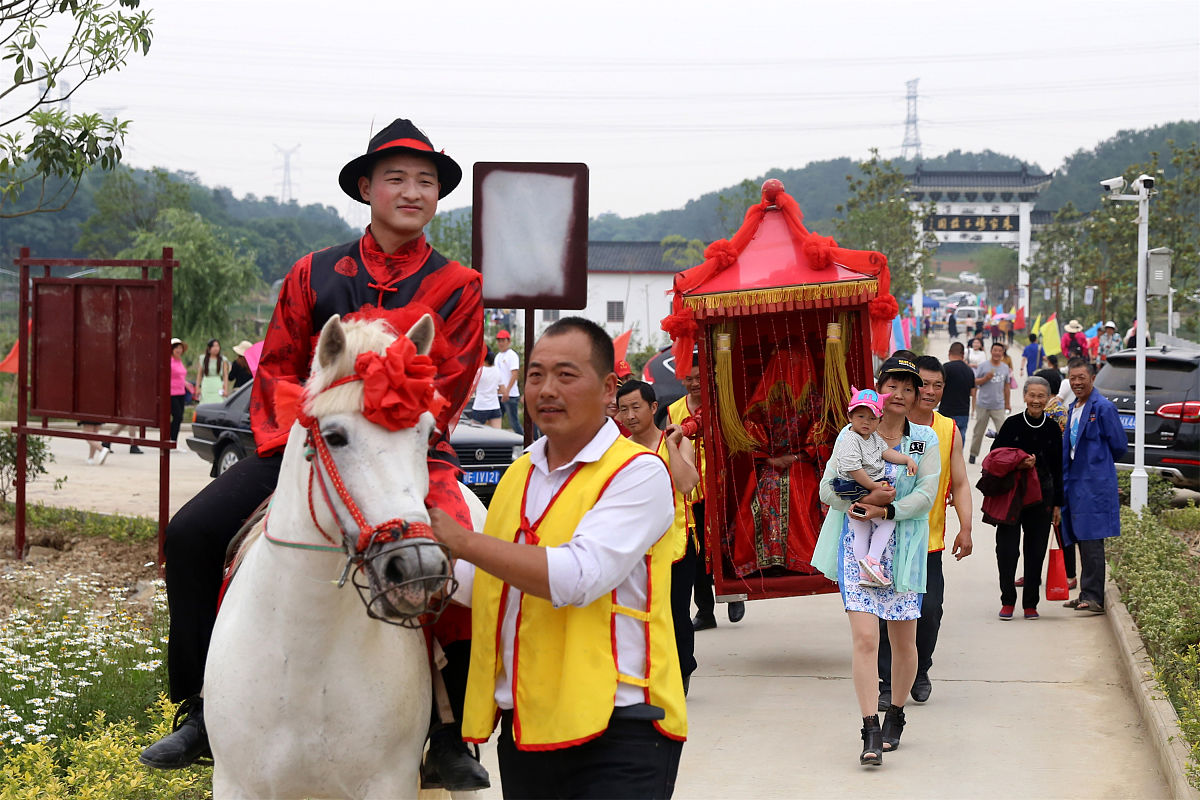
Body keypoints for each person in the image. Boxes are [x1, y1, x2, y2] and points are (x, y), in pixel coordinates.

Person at [140, 119, 489, 791]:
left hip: (410, 456)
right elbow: (275, 367)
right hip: (309, 445)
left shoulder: (458, 286)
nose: (411, 192)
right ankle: (198, 710)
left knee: (466, 562)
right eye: (396, 178)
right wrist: (312, 427)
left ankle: (449, 733)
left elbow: (449, 385)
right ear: (367, 188)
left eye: (425, 181)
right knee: (190, 534)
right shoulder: (315, 272)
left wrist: (387, 420)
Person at [435, 318, 686, 798]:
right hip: (528, 727)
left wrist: (463, 542)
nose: (546, 389)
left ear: (609, 387)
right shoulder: (519, 473)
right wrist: (425, 565)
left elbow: (578, 577)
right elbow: (484, 585)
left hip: (620, 728)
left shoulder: (639, 473)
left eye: (566, 375)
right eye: (535, 375)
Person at [811, 356, 941, 766]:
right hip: (856, 546)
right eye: (892, 386)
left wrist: (888, 511)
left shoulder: (923, 439)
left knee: (905, 643)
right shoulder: (851, 435)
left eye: (908, 387)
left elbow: (925, 495)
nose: (899, 395)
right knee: (867, 639)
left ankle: (895, 715)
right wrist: (864, 499)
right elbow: (827, 490)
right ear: (878, 392)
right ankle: (869, 727)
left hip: (902, 550)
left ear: (917, 393)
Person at [877, 355, 973, 708]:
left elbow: (960, 483)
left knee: (929, 610)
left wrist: (966, 527)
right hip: (884, 537)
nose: (930, 392)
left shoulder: (947, 430)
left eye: (938, 385)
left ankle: (920, 668)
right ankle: (887, 683)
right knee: (886, 612)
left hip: (928, 542)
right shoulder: (881, 424)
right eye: (924, 384)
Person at [617, 379, 700, 693]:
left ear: (653, 408)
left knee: (676, 611)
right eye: (623, 409)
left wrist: (670, 446)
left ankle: (682, 670)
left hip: (676, 541)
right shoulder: (620, 451)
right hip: (636, 547)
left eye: (636, 407)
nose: (630, 415)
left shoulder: (677, 443)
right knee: (641, 613)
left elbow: (687, 484)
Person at [671, 359, 745, 630]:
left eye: (698, 378)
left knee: (726, 540)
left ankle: (735, 593)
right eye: (688, 378)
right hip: (691, 490)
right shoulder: (672, 410)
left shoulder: (720, 403)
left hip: (720, 483)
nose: (693, 383)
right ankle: (705, 610)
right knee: (697, 550)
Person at [989, 376, 1063, 619]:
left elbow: (1058, 468)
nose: (1036, 400)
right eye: (1032, 395)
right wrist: (1018, 461)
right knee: (1007, 551)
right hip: (1012, 497)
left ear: (1048, 398)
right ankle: (1008, 600)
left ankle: (1031, 604)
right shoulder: (1011, 425)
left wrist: (1058, 504)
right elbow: (994, 458)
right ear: (1024, 396)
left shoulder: (1053, 428)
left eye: (1041, 396)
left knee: (1036, 551)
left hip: (1042, 499)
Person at [831, 387, 918, 587]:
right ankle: (872, 560)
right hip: (853, 486)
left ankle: (865, 574)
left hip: (866, 486)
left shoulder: (873, 438)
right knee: (887, 522)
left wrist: (905, 458)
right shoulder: (850, 439)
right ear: (850, 416)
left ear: (879, 420)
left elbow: (886, 452)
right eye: (861, 416)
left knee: (862, 529)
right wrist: (874, 487)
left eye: (872, 418)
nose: (866, 422)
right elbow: (854, 469)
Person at [1060, 357, 1127, 614]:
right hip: (1075, 483)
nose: (1077, 383)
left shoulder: (1103, 408)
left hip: (1094, 484)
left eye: (1081, 378)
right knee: (1079, 537)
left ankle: (1094, 596)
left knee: (1092, 539)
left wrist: (1097, 464)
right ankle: (1086, 592)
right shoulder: (1074, 407)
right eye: (1073, 378)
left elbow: (1119, 446)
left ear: (1092, 378)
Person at [968, 342, 1011, 464]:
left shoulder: (1005, 368)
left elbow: (1006, 387)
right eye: (995, 350)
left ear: (1002, 353)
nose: (997, 353)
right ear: (991, 351)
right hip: (983, 404)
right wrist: (985, 378)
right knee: (978, 432)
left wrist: (1007, 403)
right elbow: (975, 382)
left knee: (1003, 431)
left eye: (999, 351)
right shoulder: (983, 366)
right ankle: (973, 454)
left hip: (998, 405)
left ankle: (1004, 455)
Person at [939, 342, 974, 441]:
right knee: (958, 444)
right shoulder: (969, 371)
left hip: (946, 412)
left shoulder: (945, 368)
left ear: (949, 352)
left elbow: (939, 387)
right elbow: (973, 393)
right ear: (963, 354)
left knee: (944, 443)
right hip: (963, 413)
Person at [495, 329, 523, 435]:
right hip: (499, 394)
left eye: (503, 340)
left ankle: (525, 443)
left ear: (508, 341)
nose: (500, 343)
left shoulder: (512, 355)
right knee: (497, 422)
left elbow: (514, 374)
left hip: (510, 395)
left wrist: (507, 391)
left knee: (513, 422)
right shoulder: (497, 356)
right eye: (499, 341)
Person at [469, 351, 503, 427]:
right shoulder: (498, 371)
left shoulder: (479, 371)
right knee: (497, 435)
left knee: (476, 436)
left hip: (480, 407)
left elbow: (471, 389)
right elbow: (502, 390)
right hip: (495, 407)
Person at [194, 339, 229, 405]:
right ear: (209, 348)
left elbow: (225, 375)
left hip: (217, 383)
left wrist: (226, 389)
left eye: (217, 346)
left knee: (218, 403)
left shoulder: (223, 359)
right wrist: (197, 388)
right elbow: (199, 374)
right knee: (205, 403)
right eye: (214, 346)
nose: (216, 348)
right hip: (206, 383)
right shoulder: (203, 358)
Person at [169, 338, 188, 447]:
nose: (179, 350)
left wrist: (187, 385)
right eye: (176, 347)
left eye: (180, 348)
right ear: (172, 349)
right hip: (171, 393)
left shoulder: (179, 360)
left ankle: (173, 440)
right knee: (177, 416)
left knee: (179, 417)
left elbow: (181, 376)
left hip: (181, 392)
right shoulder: (168, 360)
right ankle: (171, 440)